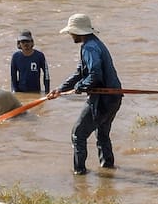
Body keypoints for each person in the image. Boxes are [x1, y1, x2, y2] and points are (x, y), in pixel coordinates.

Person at [46, 13, 122, 175]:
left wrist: (81, 86)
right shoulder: (94, 44)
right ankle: (108, 169)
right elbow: (79, 73)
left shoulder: (89, 48)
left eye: (71, 32)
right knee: (102, 133)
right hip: (114, 98)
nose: (70, 35)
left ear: (78, 31)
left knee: (78, 134)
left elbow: (95, 75)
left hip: (102, 100)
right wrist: (60, 89)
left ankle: (79, 173)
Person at [10, 29, 50, 94]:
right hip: (21, 91)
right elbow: (13, 76)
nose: (26, 44)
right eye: (23, 42)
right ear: (19, 44)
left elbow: (46, 74)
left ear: (32, 42)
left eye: (27, 41)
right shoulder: (15, 57)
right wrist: (14, 91)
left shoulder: (40, 56)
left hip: (36, 91)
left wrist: (47, 91)